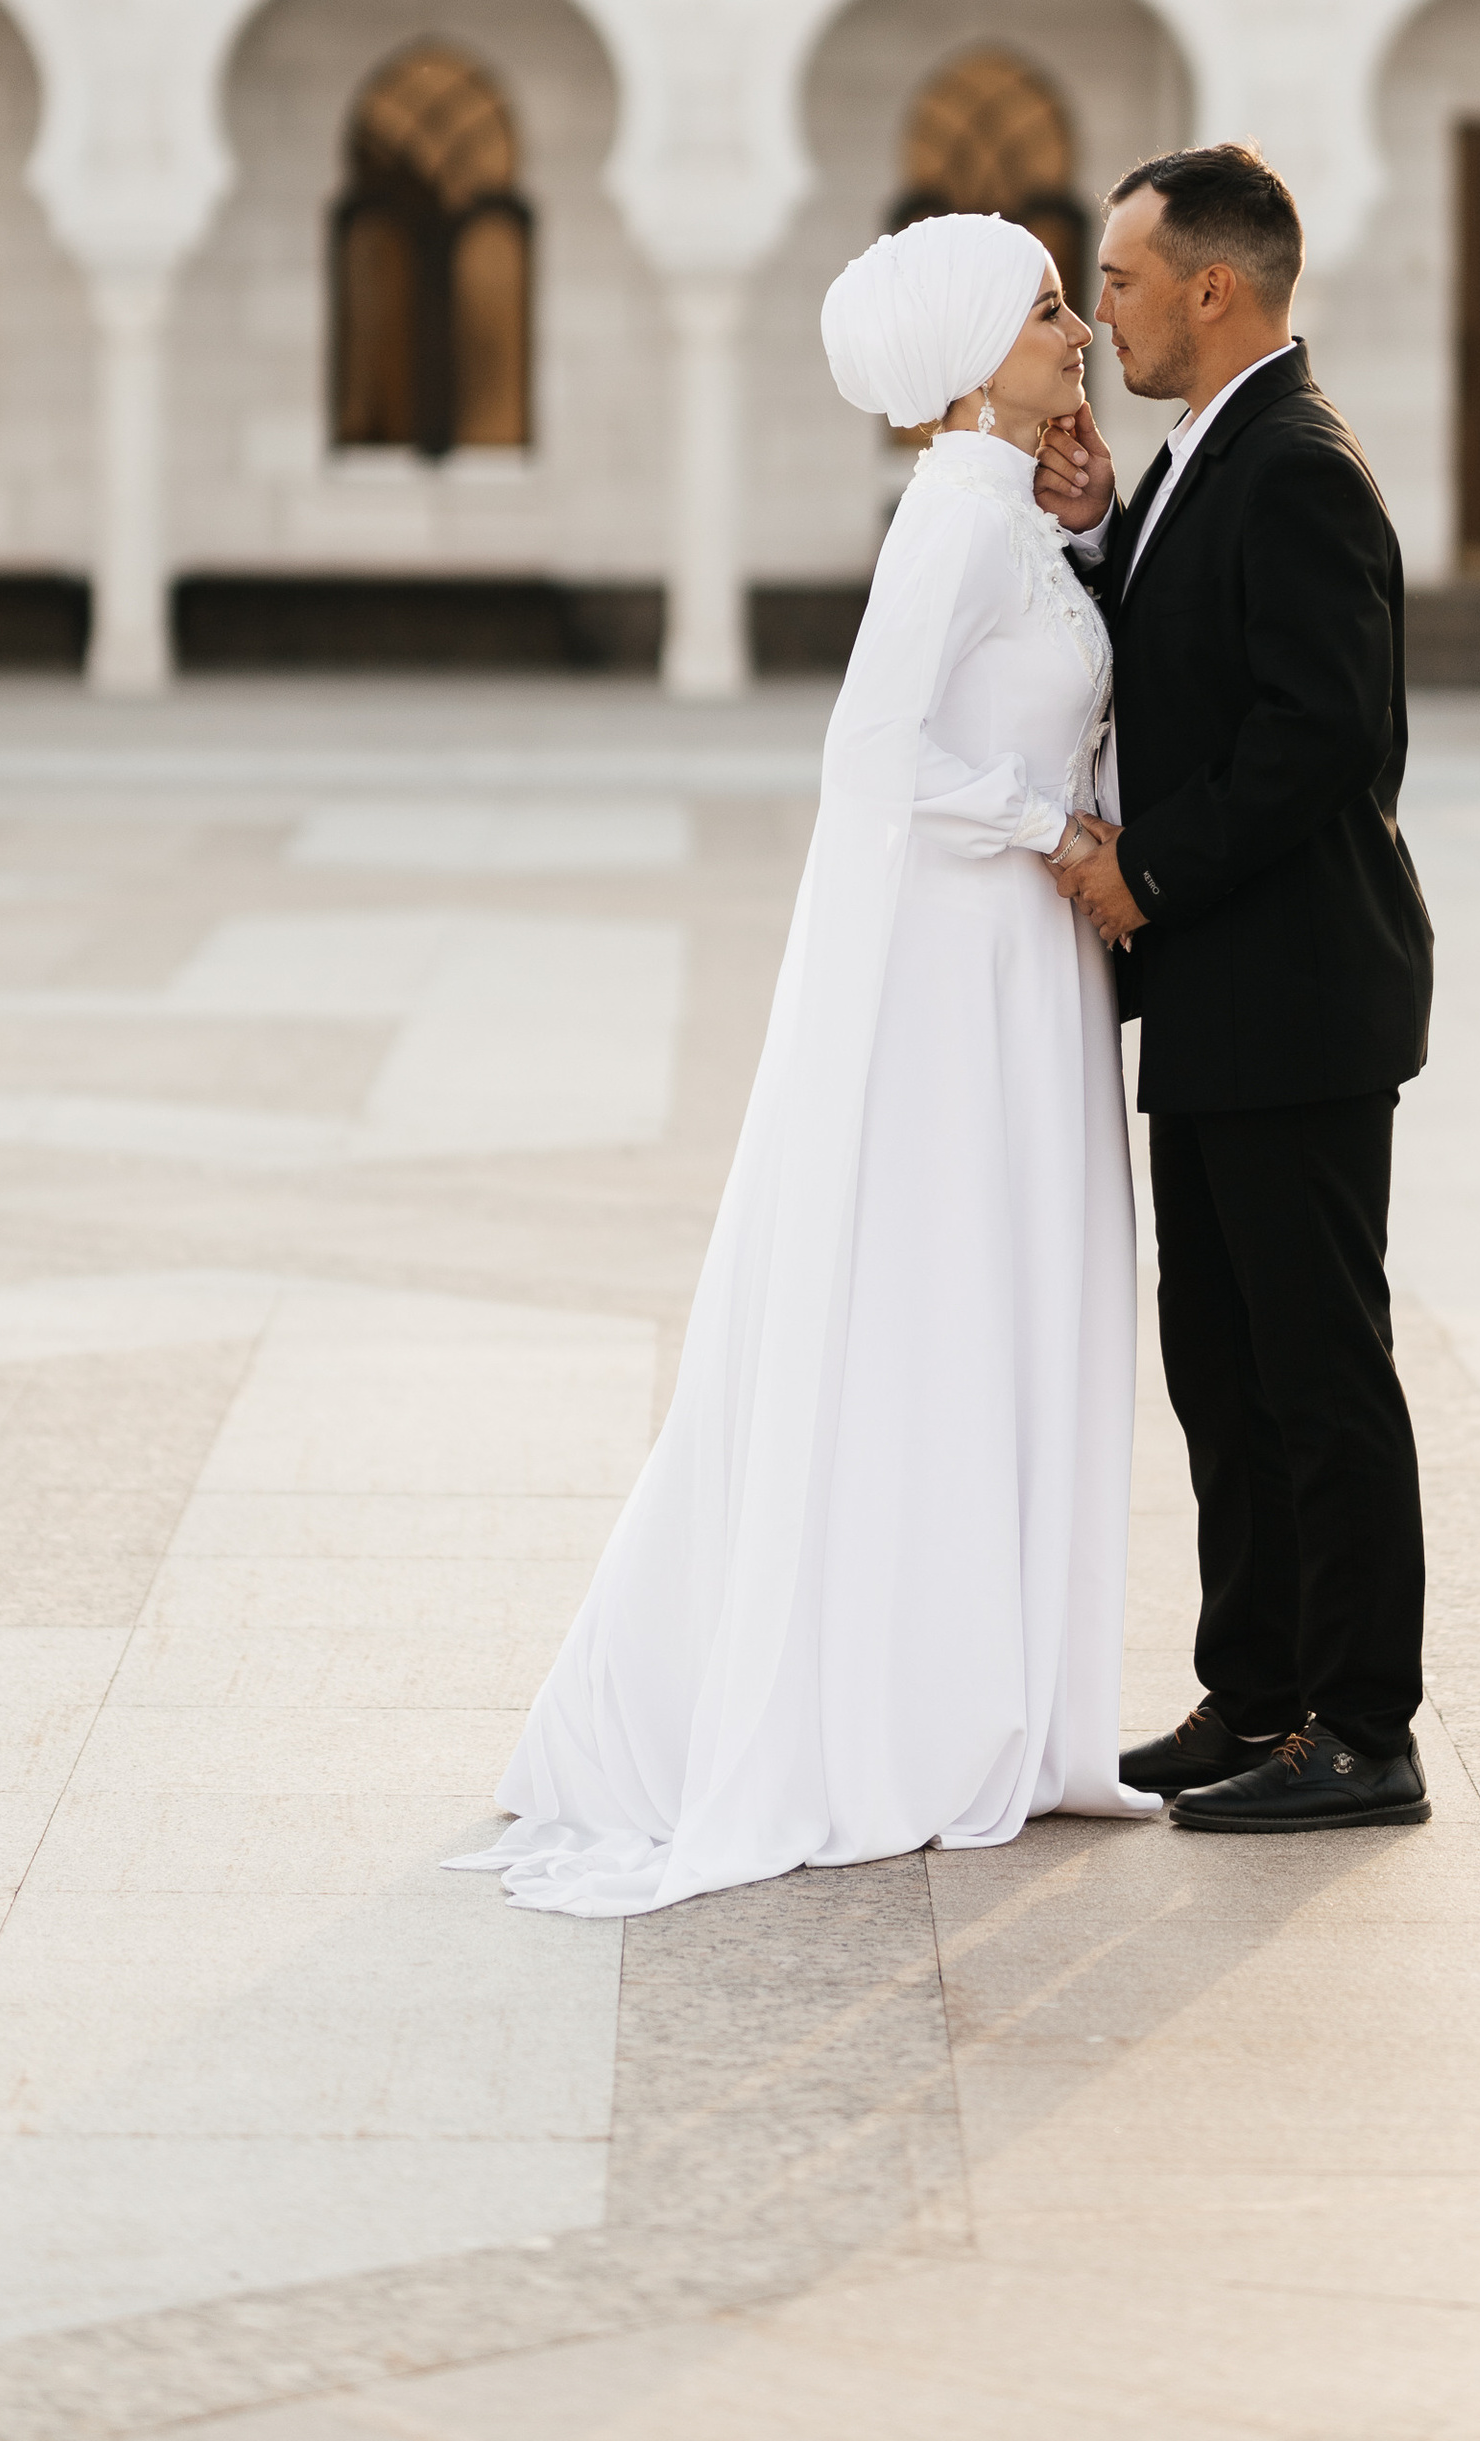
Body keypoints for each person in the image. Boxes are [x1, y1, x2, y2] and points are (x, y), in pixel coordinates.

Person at [453, 210, 1157, 1915]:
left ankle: (985, 1696)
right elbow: (871, 754)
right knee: (934, 1300)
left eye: (1072, 301)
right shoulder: (951, 518)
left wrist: (1088, 532)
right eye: (1050, 310)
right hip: (966, 958)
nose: (1077, 331)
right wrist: (1043, 827)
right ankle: (893, 1712)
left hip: (1017, 960)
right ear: (971, 347)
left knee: (998, 1303)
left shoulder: (1009, 515)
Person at [1034, 143, 1436, 1833]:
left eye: (1117, 280)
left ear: (1213, 286)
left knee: (1318, 1372)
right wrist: (1099, 526)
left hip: (1295, 997)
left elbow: (1321, 733)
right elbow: (1187, 650)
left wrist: (1150, 866)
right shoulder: (1215, 456)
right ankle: (1255, 1689)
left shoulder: (1301, 464)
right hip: (1221, 1003)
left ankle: (1363, 1728)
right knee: (1223, 1359)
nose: (1101, 309)